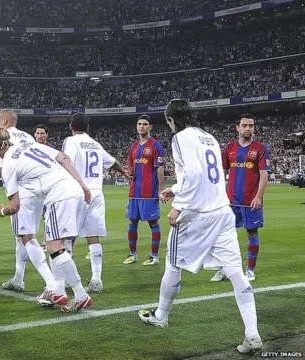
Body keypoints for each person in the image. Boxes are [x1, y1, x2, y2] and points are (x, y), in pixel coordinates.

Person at [137, 99, 262, 354]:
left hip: (197, 215)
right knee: (236, 272)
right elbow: (203, 175)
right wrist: (174, 188)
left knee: (172, 263)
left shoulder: (180, 138)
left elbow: (194, 174)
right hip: (221, 212)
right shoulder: (209, 138)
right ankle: (252, 334)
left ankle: (161, 315)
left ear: (172, 120)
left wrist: (179, 204)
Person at [0, 127, 93, 312]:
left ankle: (80, 295)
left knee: (54, 247)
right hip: (72, 189)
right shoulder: (29, 146)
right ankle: (59, 290)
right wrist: (82, 185)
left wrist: (2, 211)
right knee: (55, 244)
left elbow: (15, 206)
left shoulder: (8, 166)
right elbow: (63, 158)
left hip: (59, 196)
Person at [62, 113, 130, 293]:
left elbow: (66, 162)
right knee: (93, 237)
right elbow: (113, 162)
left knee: (68, 236)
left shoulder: (71, 141)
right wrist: (124, 173)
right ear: (88, 127)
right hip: (97, 193)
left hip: (78, 191)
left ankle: (67, 280)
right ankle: (96, 279)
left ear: (71, 126)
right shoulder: (95, 144)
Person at [0, 109, 56, 294]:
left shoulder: (1, 136)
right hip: (40, 189)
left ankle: (52, 285)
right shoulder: (27, 136)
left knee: (27, 238)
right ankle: (18, 279)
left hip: (23, 191)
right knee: (22, 236)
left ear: (3, 120)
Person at [211, 114, 270, 282]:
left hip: (251, 200)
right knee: (225, 235)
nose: (248, 128)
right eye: (244, 125)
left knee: (252, 232)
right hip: (231, 201)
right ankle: (224, 269)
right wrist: (219, 193)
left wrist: (259, 196)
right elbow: (221, 171)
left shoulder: (260, 148)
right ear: (237, 128)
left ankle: (250, 269)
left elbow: (264, 175)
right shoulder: (229, 148)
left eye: (251, 125)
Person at [124, 114, 165, 266]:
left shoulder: (156, 145)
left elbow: (159, 167)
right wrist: (129, 171)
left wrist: (161, 189)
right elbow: (130, 166)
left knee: (153, 222)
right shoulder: (133, 147)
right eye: (139, 124)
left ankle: (154, 256)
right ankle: (132, 254)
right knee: (132, 221)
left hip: (149, 192)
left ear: (150, 127)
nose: (142, 126)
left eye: (145, 124)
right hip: (134, 192)